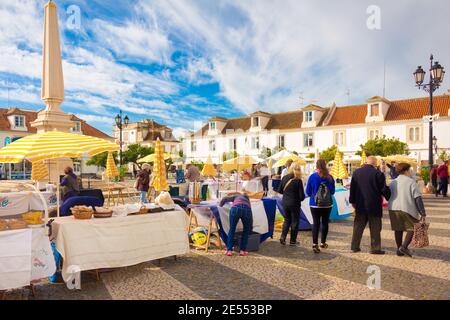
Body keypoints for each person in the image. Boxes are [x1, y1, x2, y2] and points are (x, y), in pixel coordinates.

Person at [350, 156, 391, 254]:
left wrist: (353, 202)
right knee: (375, 228)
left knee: (358, 227)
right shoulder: (378, 174)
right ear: (375, 164)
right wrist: (389, 195)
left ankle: (355, 246)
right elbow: (384, 189)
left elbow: (353, 189)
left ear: (366, 162)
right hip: (374, 205)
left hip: (360, 204)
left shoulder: (356, 173)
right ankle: (375, 248)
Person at [388, 163, 426, 257]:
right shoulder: (411, 182)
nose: (410, 172)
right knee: (413, 227)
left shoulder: (393, 182)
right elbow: (418, 198)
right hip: (407, 207)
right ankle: (404, 247)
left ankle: (399, 249)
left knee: (398, 229)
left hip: (393, 208)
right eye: (410, 170)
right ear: (406, 171)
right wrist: (422, 212)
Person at [306, 159, 336, 253]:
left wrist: (314, 194)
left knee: (316, 223)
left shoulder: (312, 177)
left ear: (316, 166)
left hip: (314, 204)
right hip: (327, 205)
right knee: (325, 223)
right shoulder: (330, 177)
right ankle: (323, 242)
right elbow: (332, 192)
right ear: (325, 165)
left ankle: (315, 244)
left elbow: (307, 191)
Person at [278, 162, 306, 246]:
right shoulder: (298, 180)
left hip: (285, 202)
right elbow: (301, 196)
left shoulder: (285, 178)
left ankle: (283, 237)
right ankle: (293, 241)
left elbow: (280, 190)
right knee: (295, 222)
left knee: (287, 220)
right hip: (295, 204)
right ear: (299, 170)